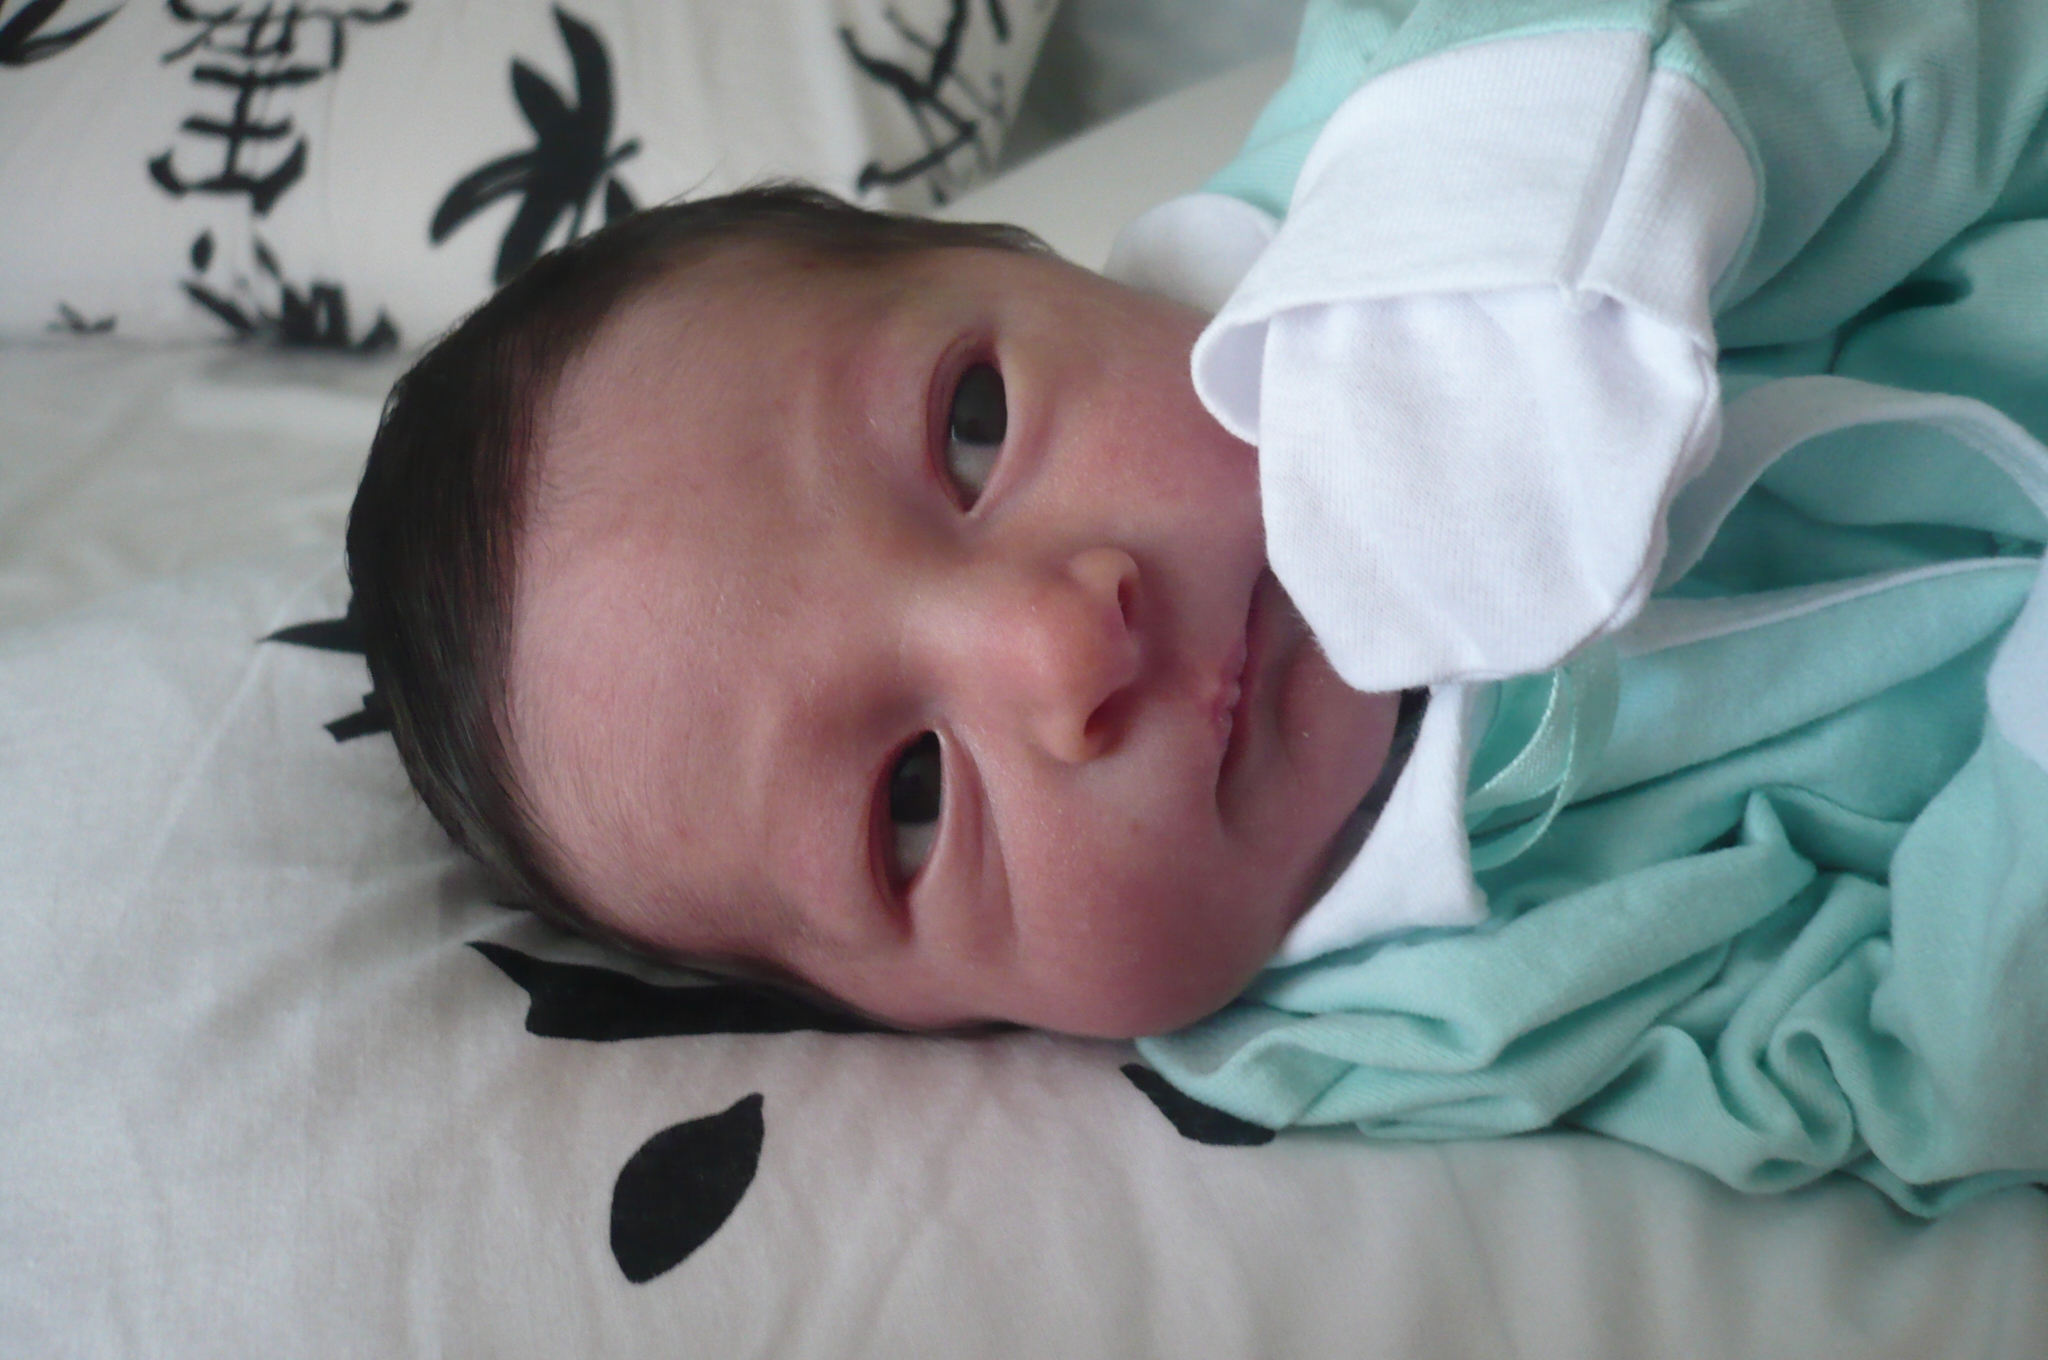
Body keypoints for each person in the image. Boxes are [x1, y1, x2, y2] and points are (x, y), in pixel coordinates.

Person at [348, 0, 2048, 1212]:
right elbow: (1918, 1061)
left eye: (971, 426)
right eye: (914, 801)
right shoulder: (1416, 1018)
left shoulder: (1432, 122)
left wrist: (1584, 206)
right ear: (928, 1030)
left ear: (1044, 265)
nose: (1059, 647)